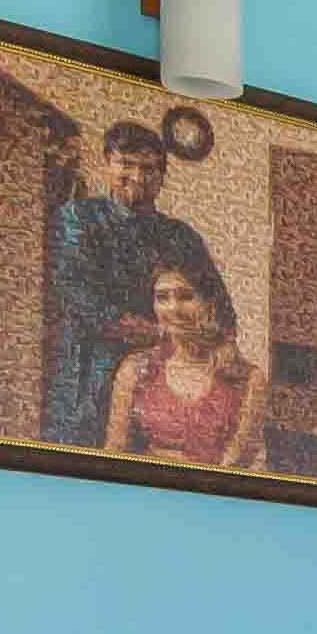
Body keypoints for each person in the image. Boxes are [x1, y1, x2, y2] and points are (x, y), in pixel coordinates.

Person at [44, 124, 219, 447]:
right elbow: (78, 296)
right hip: (89, 377)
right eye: (126, 164)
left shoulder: (181, 237)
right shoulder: (78, 218)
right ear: (107, 163)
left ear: (163, 176)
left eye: (149, 168)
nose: (138, 177)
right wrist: (159, 333)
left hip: (163, 384)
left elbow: (219, 310)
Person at [103, 257, 270, 471]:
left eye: (186, 296)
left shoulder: (247, 379)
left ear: (210, 305)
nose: (173, 309)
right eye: (162, 298)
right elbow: (114, 452)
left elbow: (237, 460)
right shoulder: (136, 369)